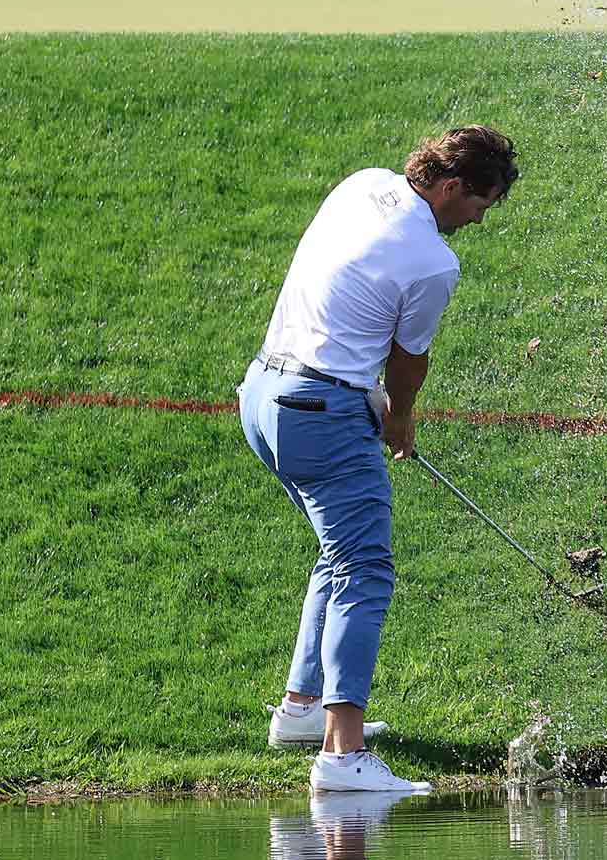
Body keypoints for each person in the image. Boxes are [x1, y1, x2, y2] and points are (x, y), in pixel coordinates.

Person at [239, 124, 519, 792]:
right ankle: (343, 757)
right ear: (451, 187)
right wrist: (400, 418)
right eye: (482, 204)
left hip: (262, 397)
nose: (480, 219)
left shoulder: (364, 184)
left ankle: (302, 711)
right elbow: (408, 361)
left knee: (338, 554)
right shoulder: (433, 261)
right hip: (320, 412)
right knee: (366, 569)